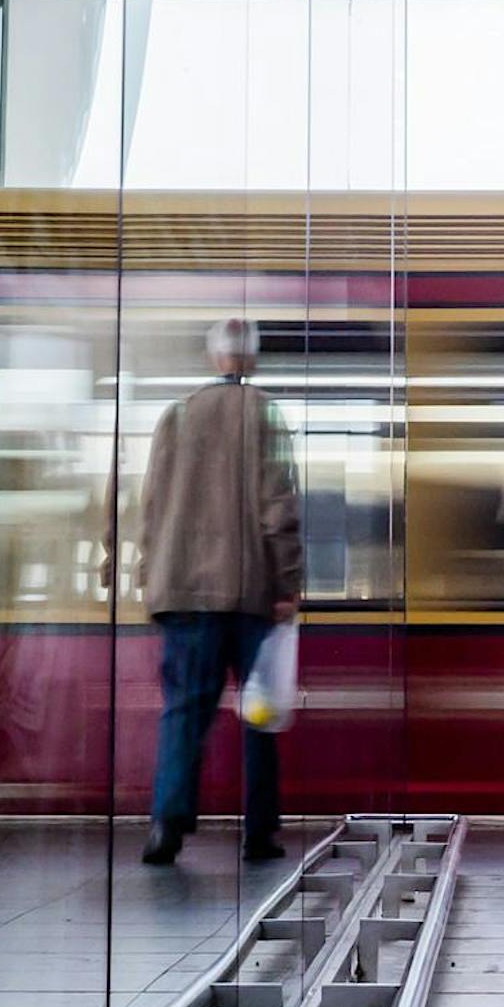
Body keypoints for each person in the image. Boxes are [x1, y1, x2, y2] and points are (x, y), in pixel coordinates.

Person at [139, 318, 301, 867]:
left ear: (214, 358)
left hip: (182, 591)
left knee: (183, 709)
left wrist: (146, 573)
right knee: (259, 712)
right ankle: (259, 833)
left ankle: (167, 823)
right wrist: (286, 583)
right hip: (249, 591)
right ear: (251, 361)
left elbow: (152, 505)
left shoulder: (176, 416)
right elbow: (279, 509)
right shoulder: (264, 414)